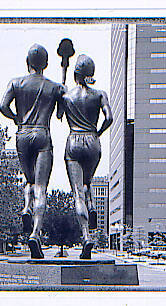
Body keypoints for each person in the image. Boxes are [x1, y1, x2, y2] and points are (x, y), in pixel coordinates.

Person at [0, 44, 66, 259]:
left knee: (29, 181)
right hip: (42, 134)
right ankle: (35, 234)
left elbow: (3, 106)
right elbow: (59, 115)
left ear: (27, 62)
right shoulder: (53, 86)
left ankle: (26, 207)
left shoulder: (15, 82)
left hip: (22, 134)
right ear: (45, 64)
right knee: (41, 186)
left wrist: (16, 118)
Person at [58, 54, 113, 259]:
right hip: (93, 141)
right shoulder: (100, 94)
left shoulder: (67, 96)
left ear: (76, 75)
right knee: (88, 182)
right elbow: (109, 118)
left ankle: (86, 236)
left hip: (74, 141)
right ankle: (91, 206)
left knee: (77, 191)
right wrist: (98, 133)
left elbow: (58, 115)